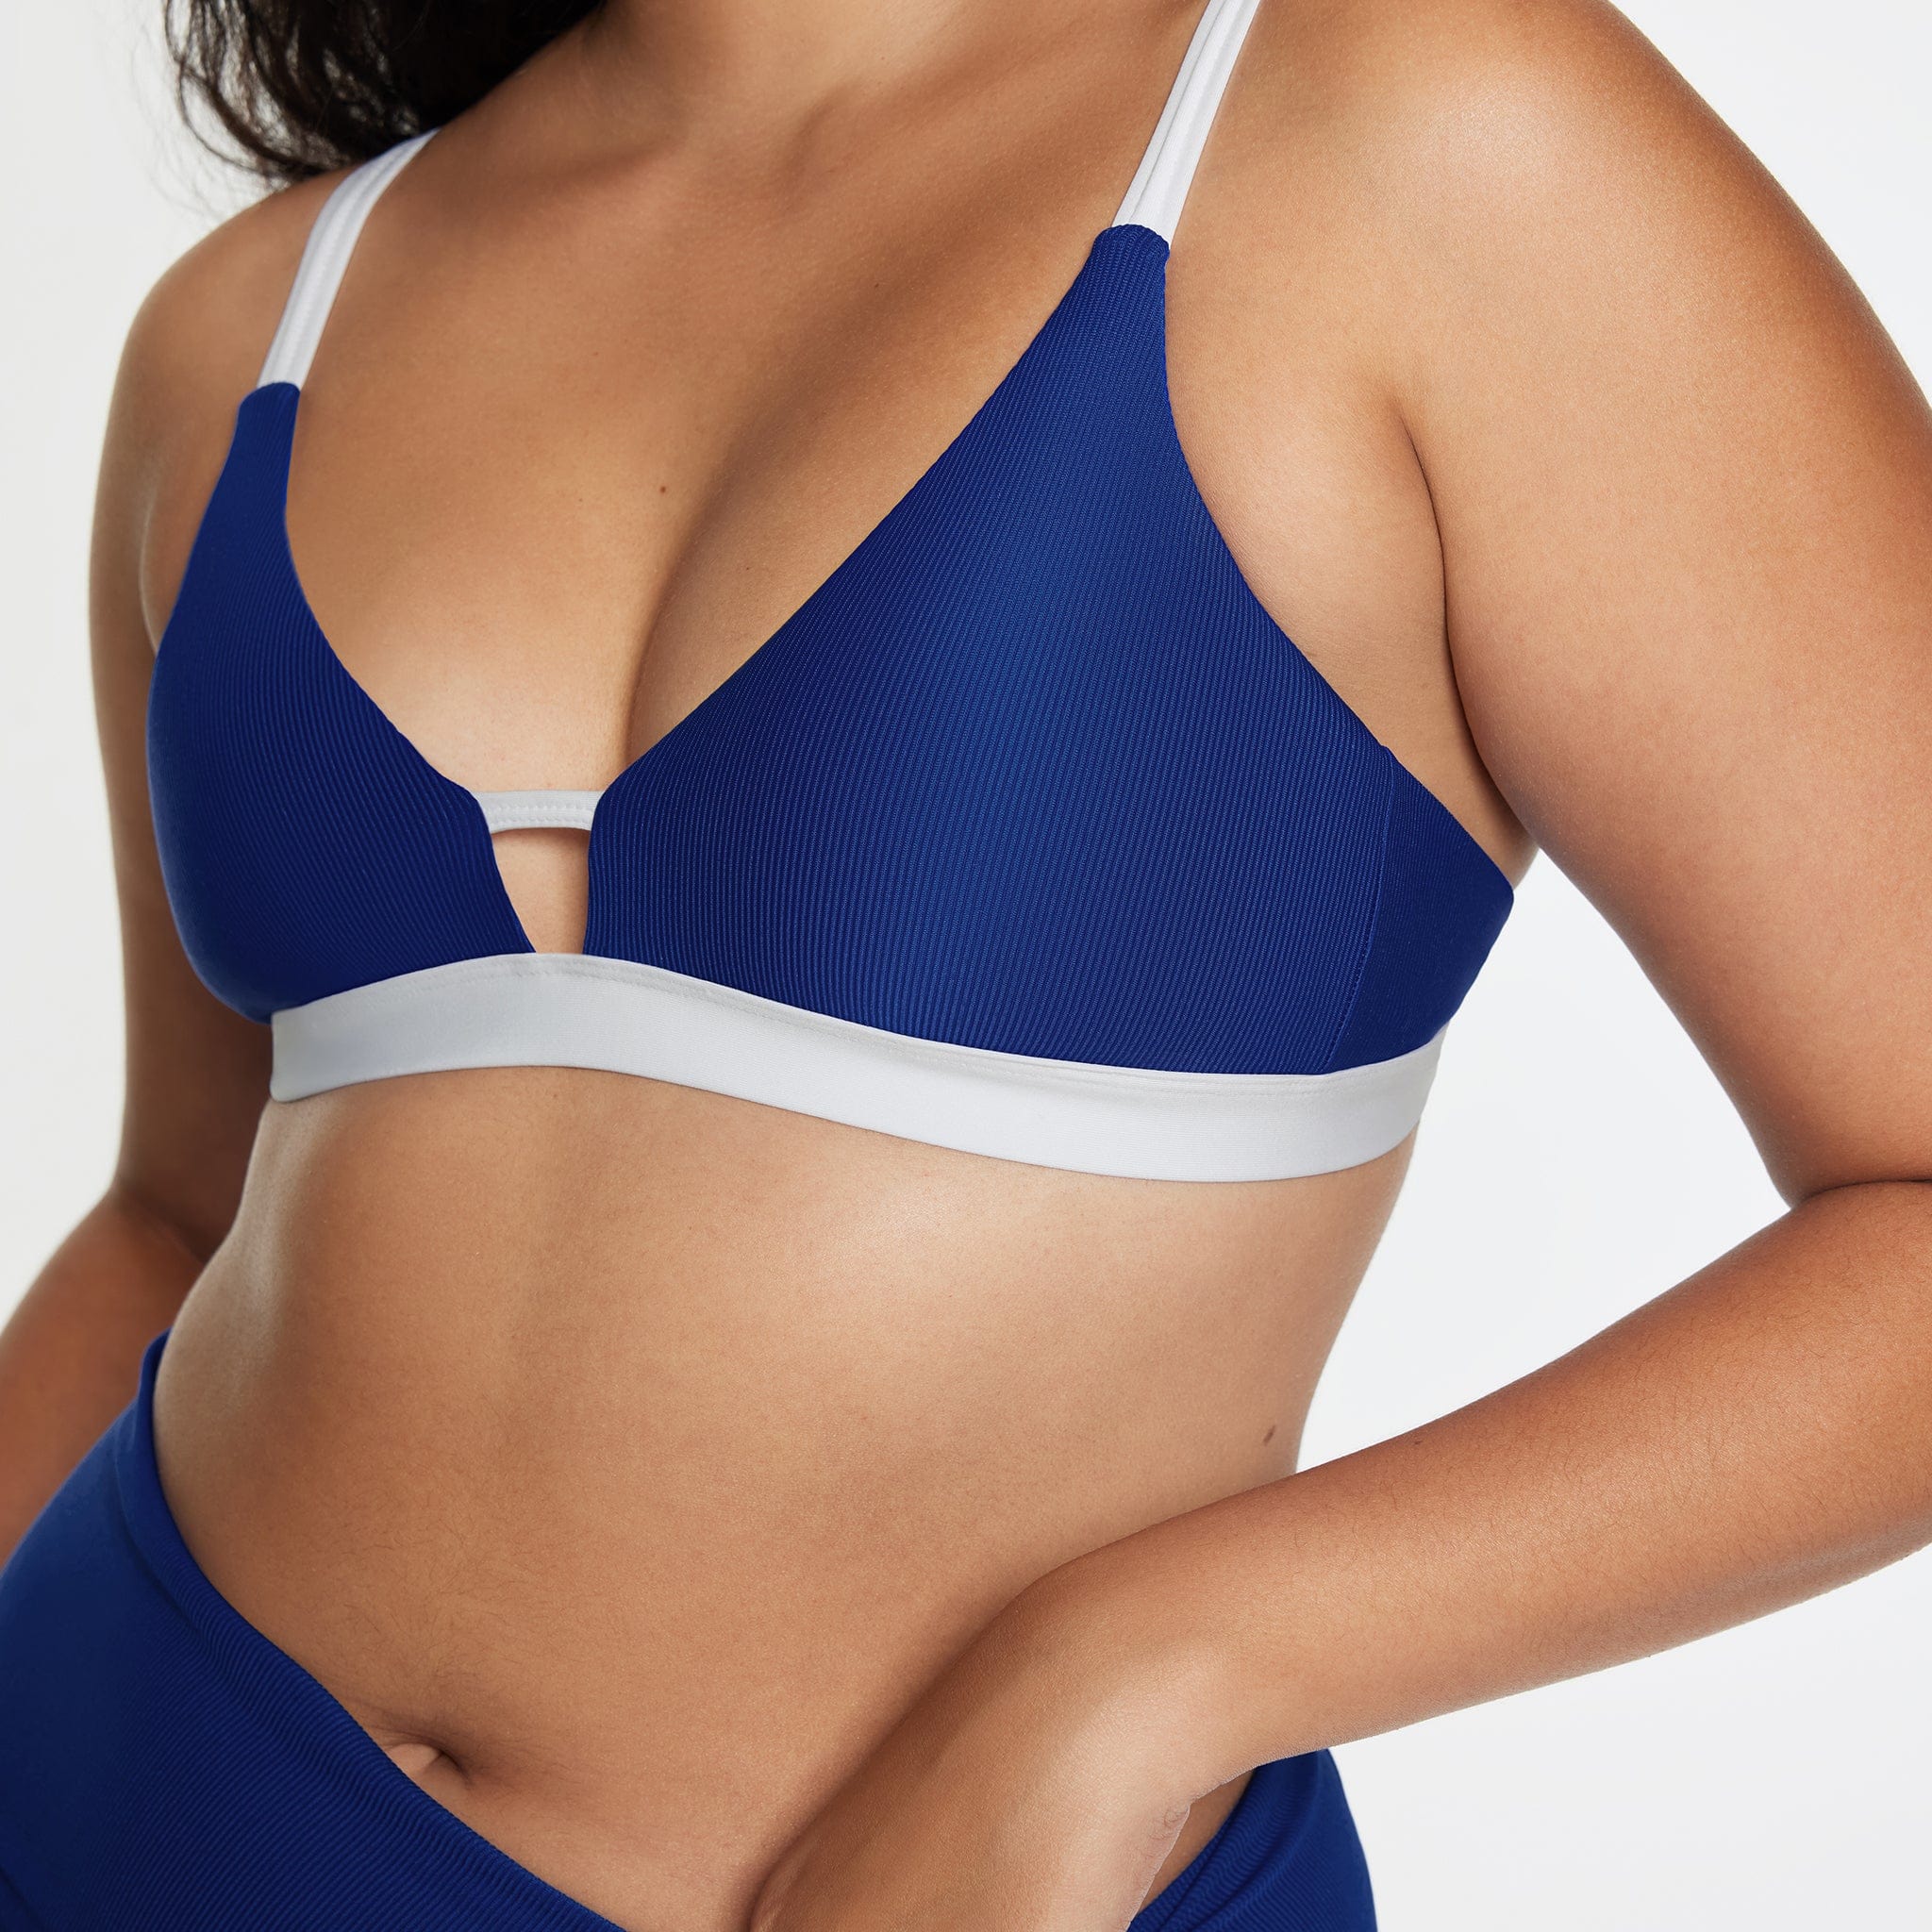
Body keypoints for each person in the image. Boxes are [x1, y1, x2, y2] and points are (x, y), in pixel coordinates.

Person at [1, 0, 1928, 1924]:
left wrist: (1135, 1685)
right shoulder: (252, 322)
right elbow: (180, 1216)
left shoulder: (1411, 131)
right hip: (97, 1784)